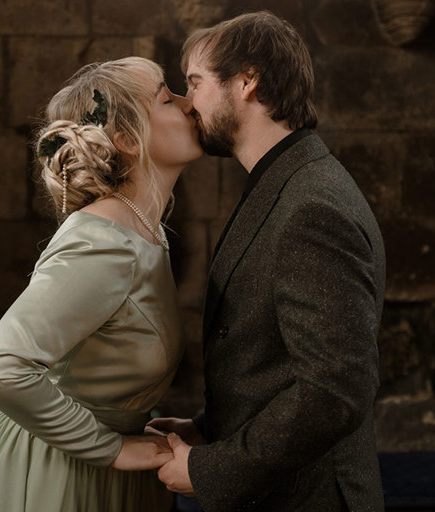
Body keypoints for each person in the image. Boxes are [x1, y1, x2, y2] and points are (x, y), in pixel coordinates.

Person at [0, 56, 202, 512]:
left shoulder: (143, 232)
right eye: (167, 97)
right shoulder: (103, 242)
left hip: (102, 476)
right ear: (126, 140)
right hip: (54, 479)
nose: (189, 101)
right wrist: (111, 448)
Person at [148, 11, 386, 511]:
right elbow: (271, 362)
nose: (188, 104)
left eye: (195, 83)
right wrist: (205, 430)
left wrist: (213, 467)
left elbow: (332, 391)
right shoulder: (287, 182)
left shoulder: (311, 206)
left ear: (247, 81)